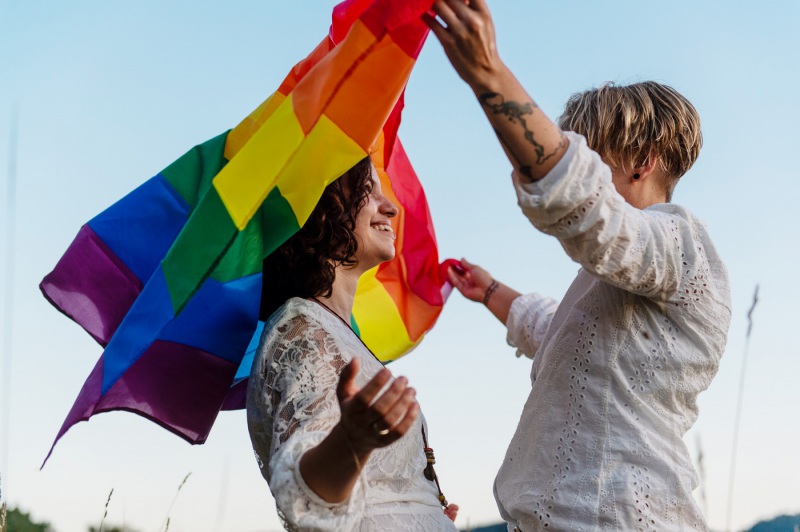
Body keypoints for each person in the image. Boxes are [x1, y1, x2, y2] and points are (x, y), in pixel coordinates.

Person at [426, 0, 731, 530]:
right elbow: (557, 334)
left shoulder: (682, 244)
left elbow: (577, 203)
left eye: (591, 154)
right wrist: (492, 290)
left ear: (641, 160)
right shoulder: (616, 279)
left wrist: (488, 74)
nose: (574, 161)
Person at [246, 156, 459, 531]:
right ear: (323, 210)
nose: (390, 207)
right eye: (367, 191)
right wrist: (352, 440)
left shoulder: (330, 330)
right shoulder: (299, 331)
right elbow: (299, 496)